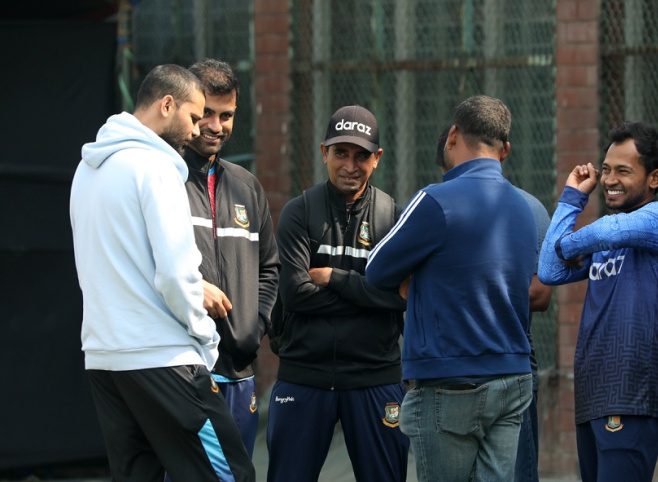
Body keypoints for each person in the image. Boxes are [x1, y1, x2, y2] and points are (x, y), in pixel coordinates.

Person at [69, 64, 255, 481]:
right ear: (167, 105)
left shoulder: (87, 169)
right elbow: (176, 273)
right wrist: (205, 342)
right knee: (232, 474)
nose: (196, 130)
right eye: (193, 116)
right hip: (162, 357)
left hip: (104, 359)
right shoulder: (157, 167)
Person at [366, 95, 537, 481]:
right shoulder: (523, 208)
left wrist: (415, 281)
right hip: (513, 377)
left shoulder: (435, 200)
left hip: (449, 380)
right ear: (505, 149)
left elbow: (376, 268)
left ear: (453, 135)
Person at [266, 105, 409, 482]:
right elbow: (296, 294)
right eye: (341, 153)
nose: (350, 165)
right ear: (323, 152)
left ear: (377, 159)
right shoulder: (299, 212)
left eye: (362, 155)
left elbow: (400, 297)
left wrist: (334, 278)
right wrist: (367, 294)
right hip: (305, 375)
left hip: (375, 377)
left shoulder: (390, 216)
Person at [537, 121, 658, 481]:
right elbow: (548, 270)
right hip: (593, 394)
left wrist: (568, 246)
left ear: (654, 178)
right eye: (605, 170)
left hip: (632, 394)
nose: (608, 180)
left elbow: (607, 231)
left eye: (623, 170)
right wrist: (572, 195)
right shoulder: (604, 242)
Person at [433, 124, 552, 481]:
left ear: (502, 154)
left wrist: (463, 290)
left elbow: (541, 293)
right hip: (448, 368)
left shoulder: (528, 208)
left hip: (510, 362)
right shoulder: (434, 208)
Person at [182, 58, 279, 458]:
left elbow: (269, 268)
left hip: (239, 371)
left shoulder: (247, 186)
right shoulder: (160, 179)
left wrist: (251, 329)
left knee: (238, 472)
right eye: (206, 113)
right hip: (184, 371)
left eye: (227, 115)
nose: (216, 126)